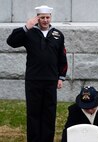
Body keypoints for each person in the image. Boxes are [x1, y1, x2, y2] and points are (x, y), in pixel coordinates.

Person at [7, 5, 68, 142]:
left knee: (49, 114)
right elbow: (11, 42)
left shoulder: (57, 35)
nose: (45, 20)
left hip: (51, 80)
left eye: (47, 17)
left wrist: (61, 77)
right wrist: (26, 27)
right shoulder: (29, 33)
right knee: (33, 114)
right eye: (42, 18)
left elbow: (62, 57)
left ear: (50, 17)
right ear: (37, 19)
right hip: (33, 80)